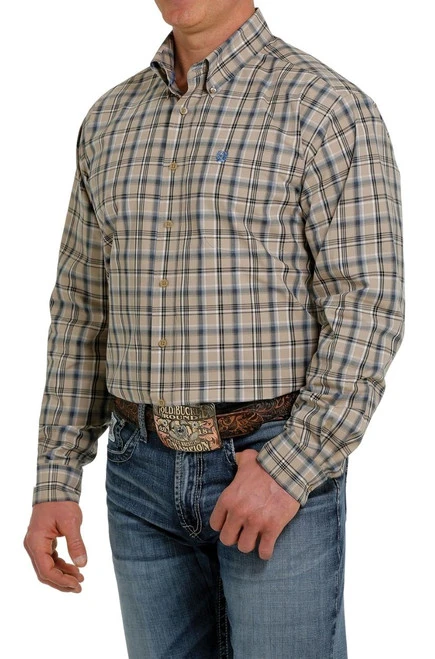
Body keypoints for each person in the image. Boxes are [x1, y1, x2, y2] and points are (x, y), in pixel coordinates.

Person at [24, 1, 404, 657]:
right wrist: (56, 477)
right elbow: (82, 306)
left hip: (270, 466)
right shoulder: (109, 119)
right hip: (137, 475)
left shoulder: (326, 109)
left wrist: (291, 467)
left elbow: (367, 304)